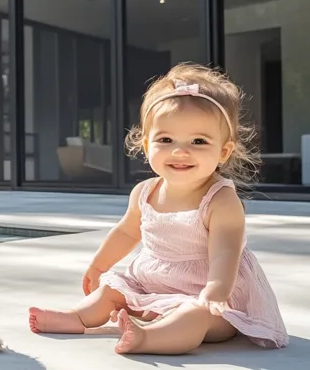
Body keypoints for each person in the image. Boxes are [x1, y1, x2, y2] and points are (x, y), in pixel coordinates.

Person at [28, 63, 288, 355]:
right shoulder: (145, 192)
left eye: (198, 141)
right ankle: (76, 317)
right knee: (111, 291)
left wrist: (217, 289)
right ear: (146, 143)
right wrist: (100, 265)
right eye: (166, 140)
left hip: (209, 294)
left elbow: (225, 251)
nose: (180, 151)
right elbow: (127, 232)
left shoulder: (221, 200)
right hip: (153, 284)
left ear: (223, 151)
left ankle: (148, 338)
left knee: (195, 314)